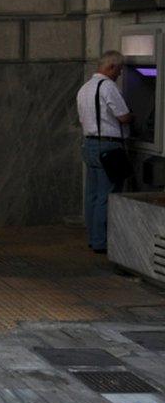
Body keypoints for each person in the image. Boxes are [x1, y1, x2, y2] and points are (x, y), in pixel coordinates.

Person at [76, 50, 134, 254]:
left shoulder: (85, 88)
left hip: (89, 144)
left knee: (92, 195)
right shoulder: (107, 86)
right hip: (108, 146)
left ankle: (93, 238)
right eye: (118, 70)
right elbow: (123, 117)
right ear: (111, 67)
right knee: (107, 196)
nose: (119, 74)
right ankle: (102, 242)